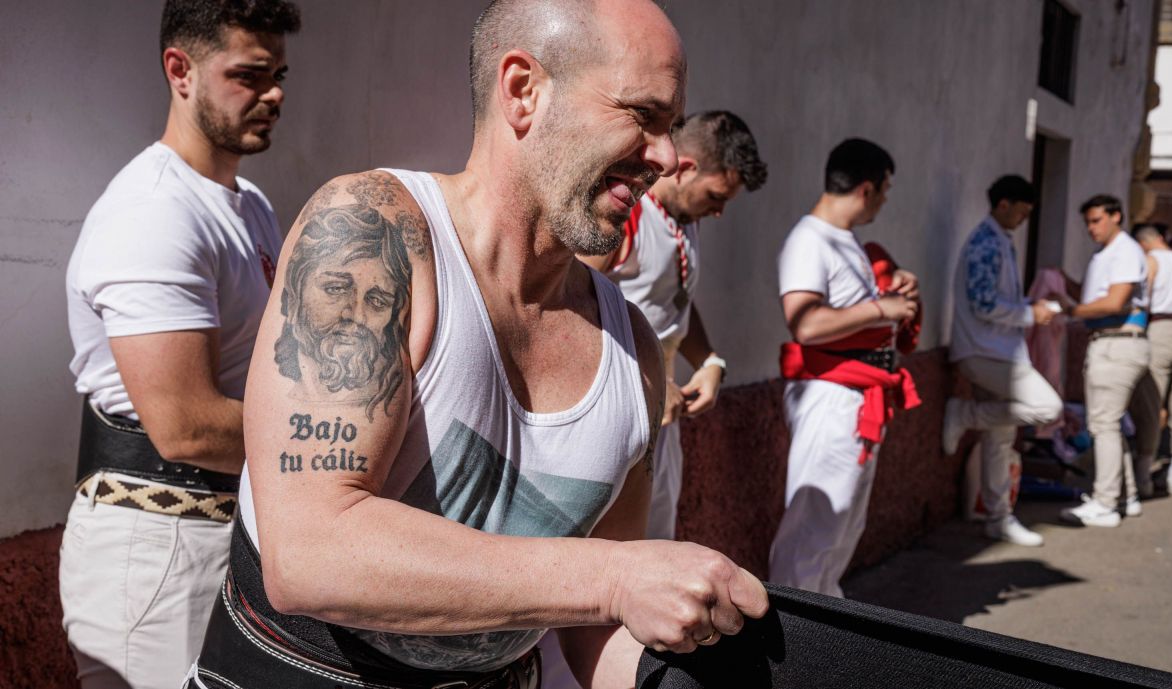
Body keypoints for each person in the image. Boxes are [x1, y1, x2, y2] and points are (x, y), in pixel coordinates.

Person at [185, 2, 769, 688]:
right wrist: (615, 576)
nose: (666, 156)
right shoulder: (373, 235)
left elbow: (594, 631)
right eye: (642, 114)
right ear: (524, 90)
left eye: (670, 127)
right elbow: (310, 548)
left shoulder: (632, 351)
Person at [61, 1, 300, 686]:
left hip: (234, 534)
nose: (275, 93)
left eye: (280, 73)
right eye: (250, 75)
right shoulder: (153, 211)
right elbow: (186, 426)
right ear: (181, 71)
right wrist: (341, 445)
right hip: (156, 548)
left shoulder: (249, 204)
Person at [578, 110, 768, 541]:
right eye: (717, 195)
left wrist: (709, 361)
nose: (719, 212)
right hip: (614, 412)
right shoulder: (627, 215)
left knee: (657, 537)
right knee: (612, 549)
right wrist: (643, 384)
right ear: (685, 169)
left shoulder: (684, 221)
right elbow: (567, 305)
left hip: (663, 411)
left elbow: (675, 302)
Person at [769, 138, 922, 596]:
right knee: (814, 527)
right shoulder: (808, 239)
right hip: (832, 395)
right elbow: (806, 324)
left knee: (840, 528)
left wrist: (893, 288)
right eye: (886, 190)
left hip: (859, 394)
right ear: (867, 188)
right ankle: (793, 636)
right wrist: (883, 310)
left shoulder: (845, 242)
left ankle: (821, 628)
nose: (885, 200)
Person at [943, 175, 1063, 547]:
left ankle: (998, 517)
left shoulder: (998, 241)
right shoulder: (985, 243)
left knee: (1000, 436)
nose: (1022, 220)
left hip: (996, 350)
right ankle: (964, 414)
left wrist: (1029, 311)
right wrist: (1031, 314)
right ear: (1003, 204)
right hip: (986, 351)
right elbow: (983, 303)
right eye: (1021, 213)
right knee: (1048, 407)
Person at [1057, 195, 1149, 527]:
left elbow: (1114, 302)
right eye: (1088, 222)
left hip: (1118, 342)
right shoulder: (1109, 253)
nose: (1091, 228)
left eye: (1096, 220)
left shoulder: (1124, 250)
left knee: (1105, 425)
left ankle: (1105, 502)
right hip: (1111, 342)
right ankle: (1125, 496)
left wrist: (1070, 310)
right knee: (1109, 424)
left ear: (1116, 217)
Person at [1133, 223, 1172, 496]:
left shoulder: (1151, 261)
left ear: (1144, 243)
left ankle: (1143, 475)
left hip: (1159, 330)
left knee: (1152, 404)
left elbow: (1141, 301)